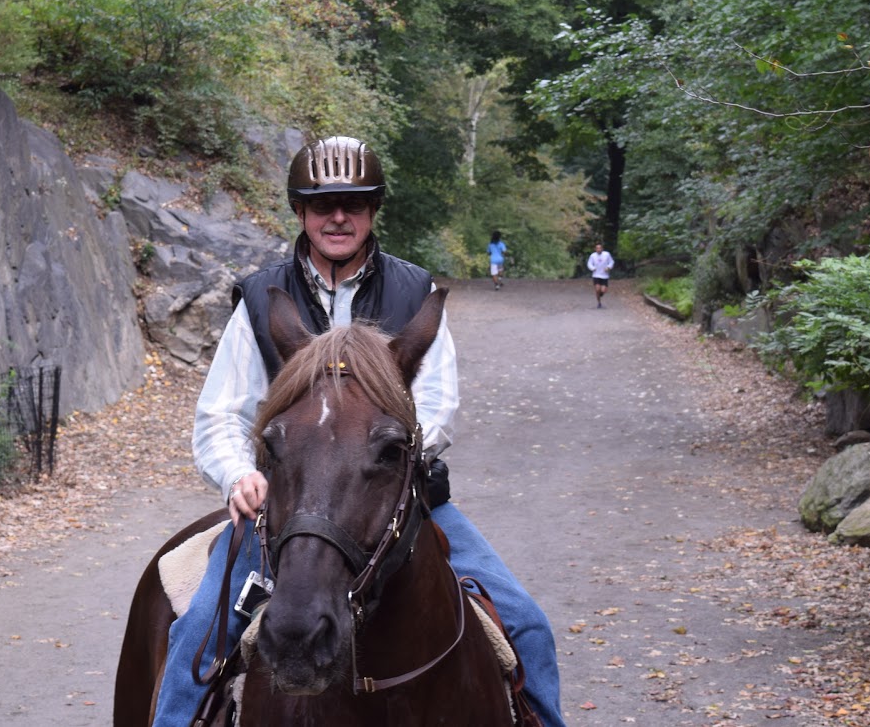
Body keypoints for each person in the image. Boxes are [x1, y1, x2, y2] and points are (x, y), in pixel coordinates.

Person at [151, 136, 564, 727]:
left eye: (355, 202)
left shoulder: (413, 291)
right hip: (286, 508)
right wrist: (240, 474)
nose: (338, 217)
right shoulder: (258, 299)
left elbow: (436, 406)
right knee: (195, 632)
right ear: (300, 213)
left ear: (373, 211)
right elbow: (220, 414)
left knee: (526, 624)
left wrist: (378, 448)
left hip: (393, 499)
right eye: (322, 205)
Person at [587, 242, 614, 308]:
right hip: (596, 275)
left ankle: (600, 294)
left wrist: (608, 267)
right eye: (597, 248)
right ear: (595, 249)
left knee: (603, 290)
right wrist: (592, 268)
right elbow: (589, 263)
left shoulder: (607, 254)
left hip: (604, 275)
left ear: (602, 248)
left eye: (600, 248)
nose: (598, 249)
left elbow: (611, 262)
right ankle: (599, 303)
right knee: (597, 289)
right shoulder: (593, 255)